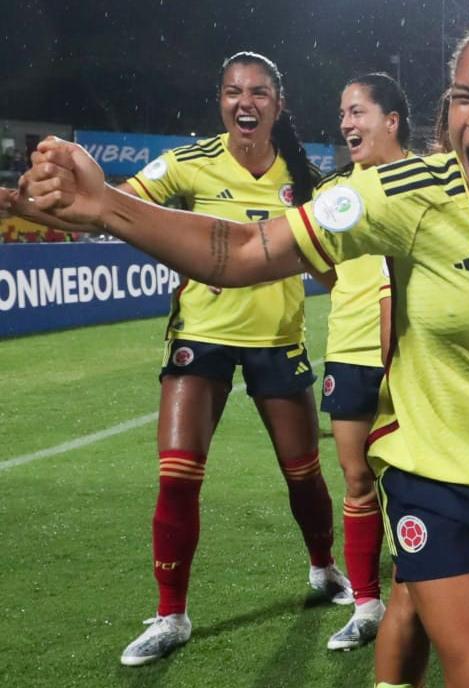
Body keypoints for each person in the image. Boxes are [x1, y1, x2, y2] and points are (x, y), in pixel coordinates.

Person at [20, 15, 469, 688]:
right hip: (436, 474)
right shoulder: (404, 194)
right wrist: (107, 205)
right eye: (464, 97)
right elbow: (243, 251)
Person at [24, 50, 345, 667]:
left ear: (278, 105)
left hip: (278, 339)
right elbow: (111, 206)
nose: (244, 102)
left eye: (258, 92)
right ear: (220, 101)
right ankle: (171, 614)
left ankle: (324, 568)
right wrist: (26, 202)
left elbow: (332, 263)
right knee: (176, 475)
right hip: (202, 334)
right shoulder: (187, 163)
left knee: (304, 473)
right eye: (232, 91)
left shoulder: (307, 178)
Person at [315, 72, 434, 681]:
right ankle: (367, 606)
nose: (346, 123)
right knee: (358, 479)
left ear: (392, 120)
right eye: (343, 113)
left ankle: (427, 593)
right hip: (351, 352)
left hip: (418, 355)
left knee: (423, 481)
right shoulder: (334, 193)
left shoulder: (431, 182)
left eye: (358, 111)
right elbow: (323, 266)